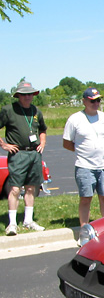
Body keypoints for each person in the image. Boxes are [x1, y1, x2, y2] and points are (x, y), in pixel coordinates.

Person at [63, 88, 104, 243]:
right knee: (86, 198)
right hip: (84, 166)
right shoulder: (75, 119)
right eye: (92, 100)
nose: (96, 103)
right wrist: (82, 150)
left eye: (98, 100)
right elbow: (67, 143)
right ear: (84, 101)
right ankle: (84, 233)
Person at [0, 81, 47, 235]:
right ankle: (12, 223)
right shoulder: (8, 110)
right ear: (18, 95)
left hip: (34, 153)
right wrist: (4, 145)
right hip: (18, 154)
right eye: (24, 94)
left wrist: (43, 142)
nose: (28, 97)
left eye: (30, 94)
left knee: (31, 187)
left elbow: (42, 129)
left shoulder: (36, 111)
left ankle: (28, 220)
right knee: (14, 188)